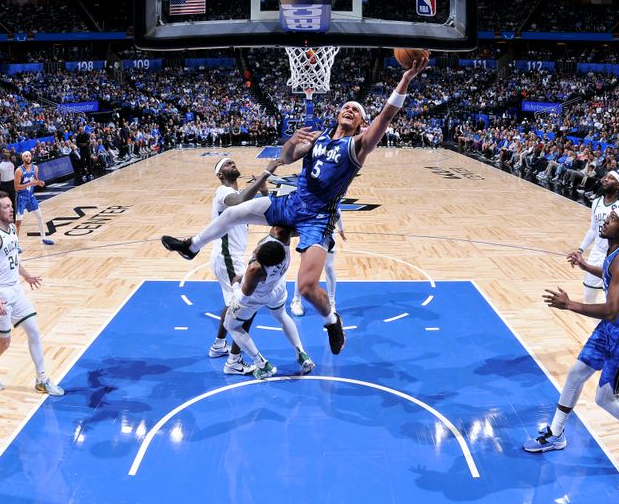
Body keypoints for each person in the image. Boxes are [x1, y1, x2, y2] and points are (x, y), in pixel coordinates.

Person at [161, 55, 431, 355]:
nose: (349, 109)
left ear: (361, 124)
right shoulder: (318, 139)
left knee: (305, 287)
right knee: (235, 211)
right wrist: (291, 140)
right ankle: (192, 246)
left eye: (355, 110)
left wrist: (405, 80)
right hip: (292, 204)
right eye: (346, 106)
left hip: (318, 219)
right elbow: (288, 156)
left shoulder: (357, 146)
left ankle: (331, 321)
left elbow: (387, 116)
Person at [525, 207, 619, 459]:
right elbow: (610, 275)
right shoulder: (615, 253)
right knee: (575, 374)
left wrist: (569, 304)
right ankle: (556, 434)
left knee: (605, 398)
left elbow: (612, 310)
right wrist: (586, 266)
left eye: (612, 220)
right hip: (612, 328)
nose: (605, 221)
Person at [0, 192, 64, 396]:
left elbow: (12, 258)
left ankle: (42, 380)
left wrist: (26, 276)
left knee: (33, 331)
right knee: (3, 343)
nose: (11, 209)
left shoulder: (13, 228)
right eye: (6, 207)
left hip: (16, 290)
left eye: (10, 205)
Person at [207, 157, 282, 375]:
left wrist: (265, 191)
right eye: (227, 165)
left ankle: (219, 344)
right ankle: (234, 360)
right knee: (245, 308)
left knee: (234, 304)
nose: (232, 165)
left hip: (232, 257)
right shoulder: (223, 193)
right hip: (228, 256)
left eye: (233, 162)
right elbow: (238, 200)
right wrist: (265, 174)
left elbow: (267, 213)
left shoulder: (238, 198)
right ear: (220, 175)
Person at [223, 226, 314, 380]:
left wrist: (235, 284)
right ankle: (302, 353)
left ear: (260, 254)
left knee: (231, 325)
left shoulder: (255, 269)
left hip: (257, 296)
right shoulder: (283, 244)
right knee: (281, 315)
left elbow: (243, 297)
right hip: (278, 287)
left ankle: (262, 364)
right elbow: (293, 228)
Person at [571, 171, 619, 304]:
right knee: (589, 297)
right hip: (597, 252)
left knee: (612, 300)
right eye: (605, 177)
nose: (605, 179)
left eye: (611, 178)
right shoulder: (596, 202)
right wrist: (580, 250)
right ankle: (599, 324)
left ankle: (611, 324)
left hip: (615, 257)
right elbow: (593, 230)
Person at [290, 209, 344, 316]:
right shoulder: (312, 198)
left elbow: (337, 210)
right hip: (311, 234)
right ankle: (296, 300)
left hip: (328, 234)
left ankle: (331, 302)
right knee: (304, 267)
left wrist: (341, 229)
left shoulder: (333, 197)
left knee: (329, 267)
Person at [14, 151, 55, 246]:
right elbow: (16, 187)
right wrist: (30, 183)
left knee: (40, 217)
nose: (28, 158)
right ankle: (15, 244)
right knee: (18, 222)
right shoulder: (19, 170)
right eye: (26, 156)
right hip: (21, 198)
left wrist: (40, 183)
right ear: (23, 158)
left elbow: (35, 180)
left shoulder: (35, 168)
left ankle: (43, 238)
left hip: (31, 197)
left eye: (29, 156)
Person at [0, 150, 16, 222]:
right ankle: (4, 218)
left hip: (11, 184)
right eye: (5, 152)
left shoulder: (13, 163)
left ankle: (13, 219)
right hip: (3, 184)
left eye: (8, 152)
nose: (6, 153)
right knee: (4, 203)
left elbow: (16, 174)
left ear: (10, 154)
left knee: (12, 202)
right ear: (3, 154)